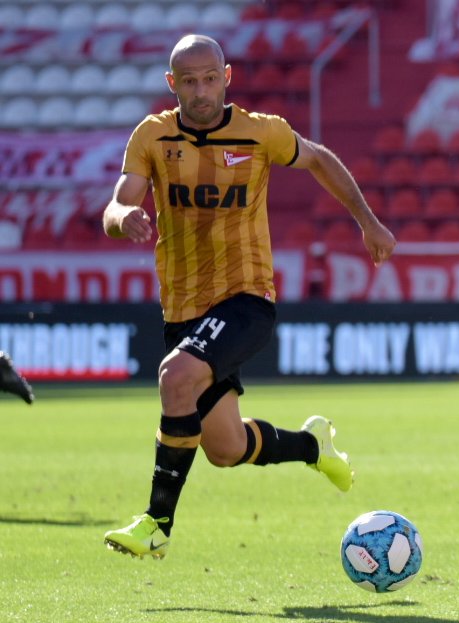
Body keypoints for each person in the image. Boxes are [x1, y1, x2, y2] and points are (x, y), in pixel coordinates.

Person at [101, 34, 396, 559]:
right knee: (225, 447)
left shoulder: (261, 133)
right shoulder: (152, 136)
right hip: (183, 308)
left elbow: (320, 160)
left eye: (209, 78)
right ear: (173, 84)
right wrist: (124, 217)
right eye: (188, 81)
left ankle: (156, 523)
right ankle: (313, 445)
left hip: (246, 298)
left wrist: (369, 223)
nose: (200, 90)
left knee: (175, 376)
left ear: (227, 76)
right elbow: (116, 203)